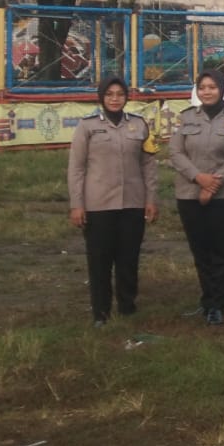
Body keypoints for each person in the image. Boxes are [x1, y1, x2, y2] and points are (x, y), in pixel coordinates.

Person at [68, 76, 159, 326]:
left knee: (128, 258)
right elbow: (76, 168)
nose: (115, 98)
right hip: (98, 205)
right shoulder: (87, 127)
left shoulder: (139, 125)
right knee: (99, 260)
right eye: (109, 94)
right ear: (101, 97)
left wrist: (151, 199)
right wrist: (77, 204)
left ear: (126, 97)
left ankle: (127, 305)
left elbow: (149, 165)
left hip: (132, 202)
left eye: (120, 94)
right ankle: (101, 311)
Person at [170, 70, 224, 326]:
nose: (207, 92)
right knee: (201, 250)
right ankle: (207, 298)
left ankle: (218, 302)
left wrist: (214, 183)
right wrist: (199, 178)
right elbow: (175, 152)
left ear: (221, 89)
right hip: (190, 194)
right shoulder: (186, 118)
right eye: (202, 87)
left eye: (212, 87)